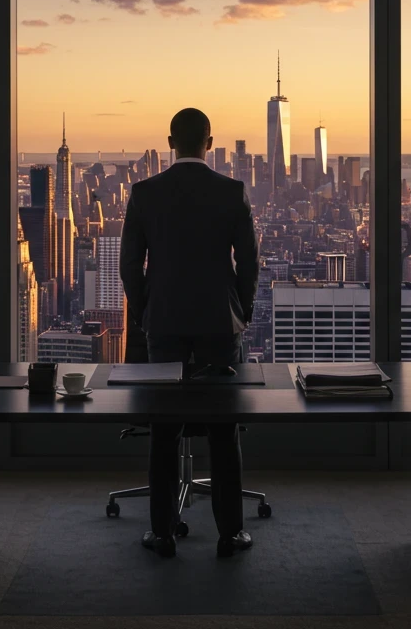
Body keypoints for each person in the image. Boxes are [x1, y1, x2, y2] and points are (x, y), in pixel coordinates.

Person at [120, 107, 259, 558]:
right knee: (224, 432)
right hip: (220, 325)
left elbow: (128, 267)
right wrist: (242, 310)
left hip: (163, 326)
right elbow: (249, 264)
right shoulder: (231, 191)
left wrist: (146, 315)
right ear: (210, 141)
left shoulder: (144, 193)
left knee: (164, 431)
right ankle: (230, 533)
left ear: (169, 141)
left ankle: (161, 533)